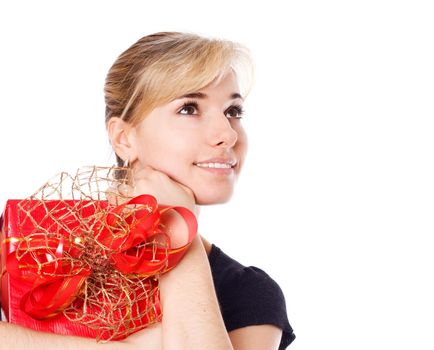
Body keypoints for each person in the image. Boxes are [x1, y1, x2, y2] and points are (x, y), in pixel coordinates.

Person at [0, 31, 295, 349]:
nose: (228, 134)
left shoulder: (250, 292)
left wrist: (175, 233)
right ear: (124, 137)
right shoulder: (25, 239)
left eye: (233, 112)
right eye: (189, 108)